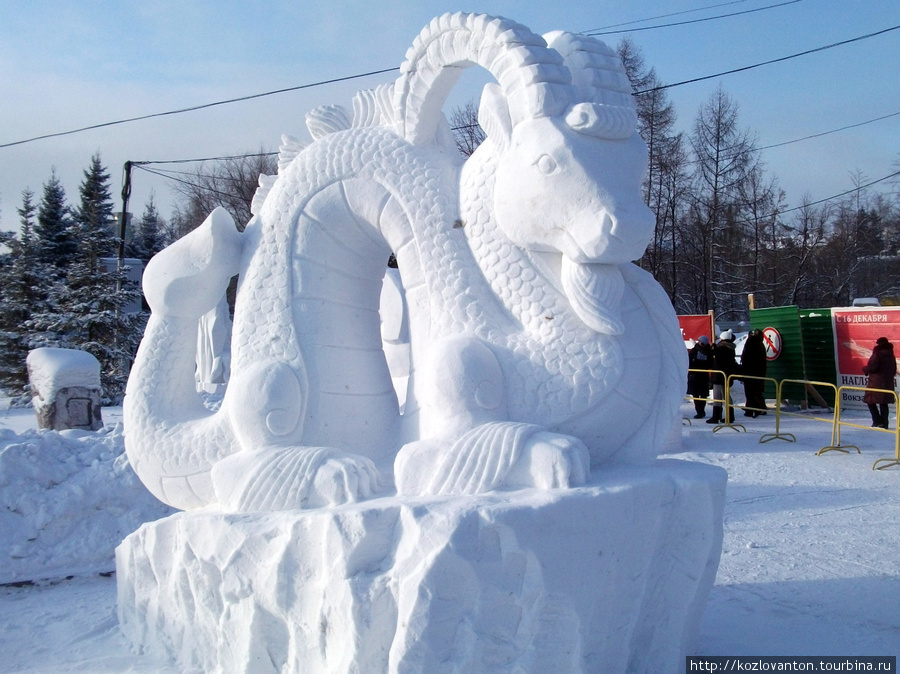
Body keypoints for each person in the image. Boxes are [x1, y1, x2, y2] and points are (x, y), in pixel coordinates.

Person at [862, 336, 897, 429]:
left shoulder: (877, 354)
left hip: (875, 383)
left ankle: (877, 421)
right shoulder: (891, 355)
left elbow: (872, 367)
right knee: (883, 403)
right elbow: (894, 369)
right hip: (887, 383)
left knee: (870, 401)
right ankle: (884, 423)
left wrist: (864, 369)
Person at [707, 330, 739, 424]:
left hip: (719, 375)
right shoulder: (730, 348)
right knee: (726, 396)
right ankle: (730, 416)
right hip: (726, 375)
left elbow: (712, 355)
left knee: (718, 396)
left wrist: (713, 347)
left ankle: (716, 416)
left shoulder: (721, 348)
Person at [740, 329, 768, 417]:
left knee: (750, 392)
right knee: (756, 391)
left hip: (749, 371)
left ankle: (755, 409)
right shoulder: (760, 344)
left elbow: (746, 358)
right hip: (758, 372)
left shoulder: (750, 343)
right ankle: (754, 408)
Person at [688, 336, 713, 418]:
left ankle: (701, 411)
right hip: (695, 375)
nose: (699, 343)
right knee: (695, 394)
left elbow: (709, 361)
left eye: (701, 342)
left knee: (703, 395)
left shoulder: (707, 351)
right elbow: (689, 360)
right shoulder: (694, 350)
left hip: (703, 376)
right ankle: (699, 411)